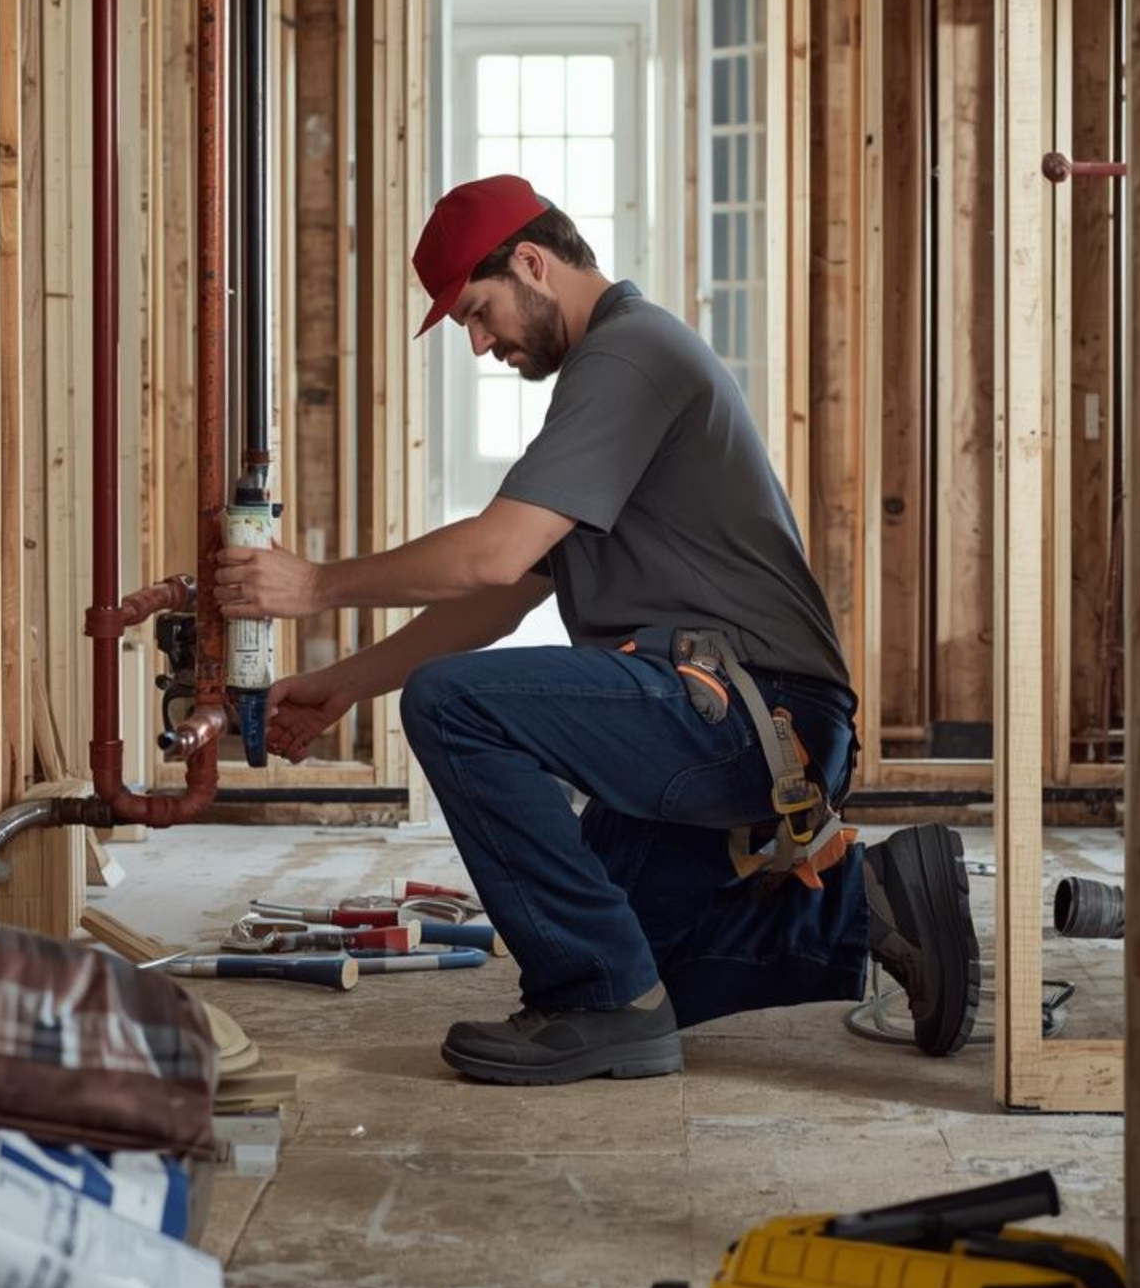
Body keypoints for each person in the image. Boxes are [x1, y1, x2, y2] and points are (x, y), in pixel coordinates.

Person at [213, 173, 980, 1086]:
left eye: (478, 311)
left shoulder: (627, 358)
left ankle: (599, 1002)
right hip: (735, 715)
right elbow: (505, 594)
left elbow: (494, 554)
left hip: (751, 718)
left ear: (533, 262)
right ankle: (868, 905)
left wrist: (317, 585)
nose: (479, 342)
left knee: (456, 711)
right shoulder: (610, 375)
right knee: (643, 960)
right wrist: (344, 683)